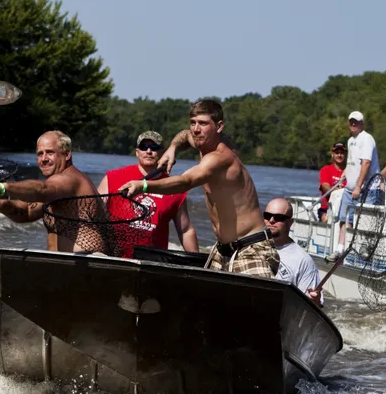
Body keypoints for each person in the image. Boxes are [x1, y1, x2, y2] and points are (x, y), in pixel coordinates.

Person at [118, 99, 279, 278]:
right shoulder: (202, 142)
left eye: (203, 123)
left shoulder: (220, 158)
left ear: (219, 126)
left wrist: (144, 185)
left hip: (251, 248)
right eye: (193, 122)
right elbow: (185, 136)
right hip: (222, 250)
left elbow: (186, 181)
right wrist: (172, 148)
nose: (196, 129)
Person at [0, 131, 103, 252]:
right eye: (39, 154)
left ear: (67, 154)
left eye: (50, 152)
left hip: (90, 263)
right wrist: (3, 204)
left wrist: (2, 188)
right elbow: (26, 212)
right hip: (64, 265)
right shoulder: (57, 190)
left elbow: (42, 189)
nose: (43, 159)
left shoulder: (70, 179)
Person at [97, 130, 199, 252]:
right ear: (137, 152)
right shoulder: (112, 178)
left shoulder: (174, 187)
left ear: (163, 152)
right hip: (115, 255)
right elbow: (93, 215)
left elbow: (185, 230)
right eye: (144, 147)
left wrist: (197, 265)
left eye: (154, 147)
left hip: (152, 261)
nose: (148, 151)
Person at [330, 110, 381, 261]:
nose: (353, 124)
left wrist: (358, 186)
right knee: (345, 219)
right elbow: (352, 161)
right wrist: (345, 172)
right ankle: (340, 249)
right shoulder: (350, 140)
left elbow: (366, 163)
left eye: (356, 121)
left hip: (367, 189)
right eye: (351, 121)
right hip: (349, 188)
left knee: (364, 221)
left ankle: (363, 252)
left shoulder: (366, 139)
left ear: (361, 123)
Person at [263, 198, 322, 305]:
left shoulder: (303, 261)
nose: (271, 220)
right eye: (267, 216)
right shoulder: (249, 247)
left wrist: (315, 301)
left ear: (290, 223)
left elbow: (312, 308)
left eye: (278, 217)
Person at [317, 142, 347, 222]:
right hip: (327, 208)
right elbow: (325, 187)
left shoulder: (350, 171)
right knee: (327, 219)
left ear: (345, 155)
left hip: (344, 208)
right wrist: (340, 191)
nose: (339, 155)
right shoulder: (325, 170)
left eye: (342, 153)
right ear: (332, 155)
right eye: (337, 153)